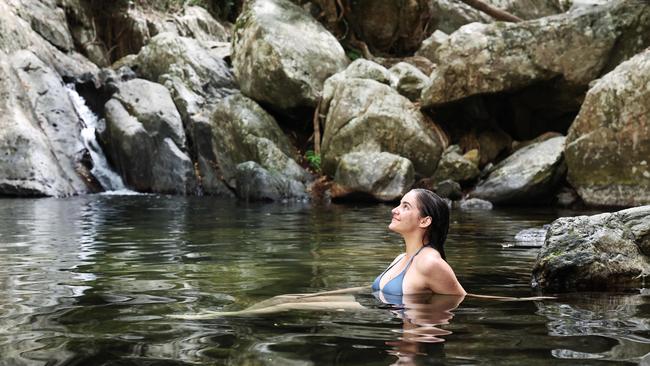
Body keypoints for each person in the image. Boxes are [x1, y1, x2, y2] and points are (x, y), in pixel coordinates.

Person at [372, 189, 466, 299]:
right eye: (399, 204)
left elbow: (460, 299)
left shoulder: (430, 263)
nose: (394, 210)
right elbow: (381, 290)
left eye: (406, 206)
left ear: (424, 221)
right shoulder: (400, 258)